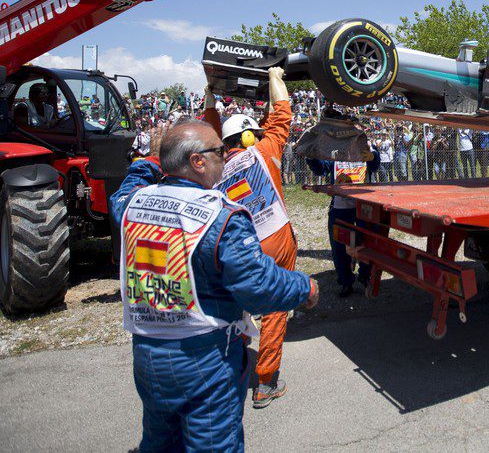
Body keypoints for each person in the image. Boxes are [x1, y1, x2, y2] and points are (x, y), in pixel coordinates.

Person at [110, 121, 317, 451]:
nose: (225, 157)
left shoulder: (131, 204)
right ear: (197, 162)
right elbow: (258, 287)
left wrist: (154, 158)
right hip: (204, 358)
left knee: (160, 441)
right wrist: (304, 287)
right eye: (218, 152)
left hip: (147, 356)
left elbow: (124, 189)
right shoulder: (219, 217)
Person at [203, 67, 298, 409]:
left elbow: (209, 134)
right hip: (274, 239)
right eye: (254, 133)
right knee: (275, 308)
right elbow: (282, 110)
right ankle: (266, 382)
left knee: (233, 307)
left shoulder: (210, 168)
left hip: (233, 248)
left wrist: (211, 98)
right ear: (248, 138)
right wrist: (274, 75)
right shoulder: (264, 150)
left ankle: (230, 368)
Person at [309, 147, 380, 297]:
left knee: (367, 243)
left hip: (363, 206)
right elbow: (321, 169)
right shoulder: (335, 151)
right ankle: (346, 282)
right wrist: (311, 157)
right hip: (340, 207)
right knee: (339, 247)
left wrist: (373, 156)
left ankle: (365, 276)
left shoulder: (366, 147)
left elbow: (375, 165)